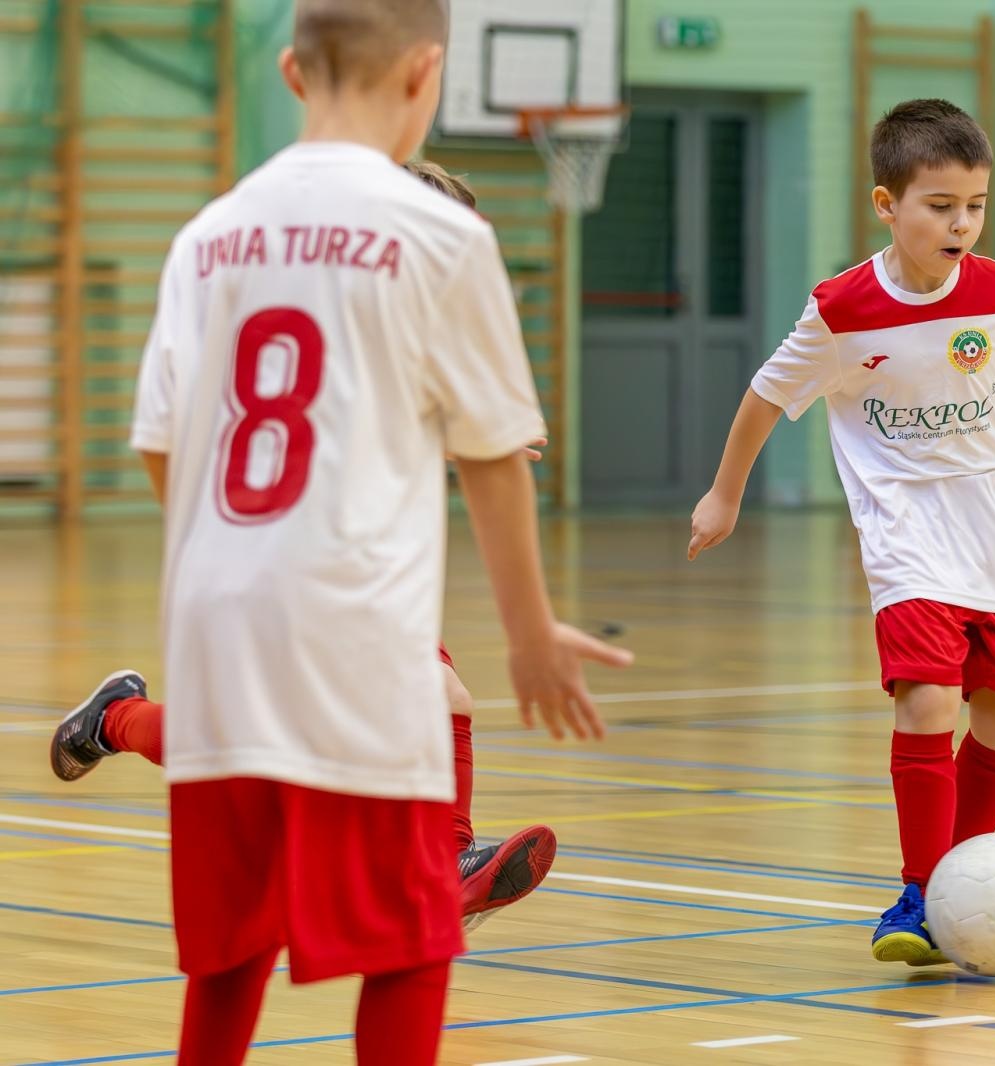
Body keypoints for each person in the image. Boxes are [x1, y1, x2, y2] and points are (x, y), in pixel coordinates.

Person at [116, 2, 630, 1061]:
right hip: (349, 616)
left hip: (216, 609)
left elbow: (163, 442)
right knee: (411, 941)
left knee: (229, 947)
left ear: (292, 72)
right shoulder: (440, 234)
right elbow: (495, 458)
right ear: (428, 72)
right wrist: (531, 634)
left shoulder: (206, 234)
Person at [687, 98, 995, 967]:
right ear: (887, 206)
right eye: (940, 205)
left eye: (975, 204)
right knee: (929, 701)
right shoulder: (842, 309)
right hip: (905, 534)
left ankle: (953, 882)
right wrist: (724, 495)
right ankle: (921, 890)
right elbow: (765, 398)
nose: (961, 223)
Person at [49, 161, 562, 936]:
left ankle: (443, 864)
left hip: (354, 562)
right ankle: (121, 720)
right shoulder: (347, 318)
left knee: (317, 732)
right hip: (289, 558)